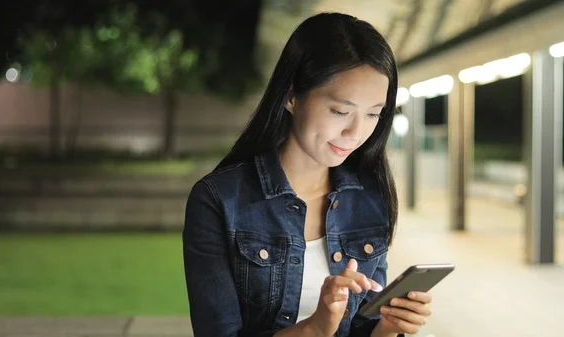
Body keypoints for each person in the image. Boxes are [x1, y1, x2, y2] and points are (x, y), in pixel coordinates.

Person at [182, 12, 433, 337]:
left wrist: (388, 326)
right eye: (340, 111)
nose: (356, 133)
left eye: (374, 114)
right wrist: (315, 329)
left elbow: (363, 327)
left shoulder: (370, 197)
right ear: (291, 96)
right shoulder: (220, 201)